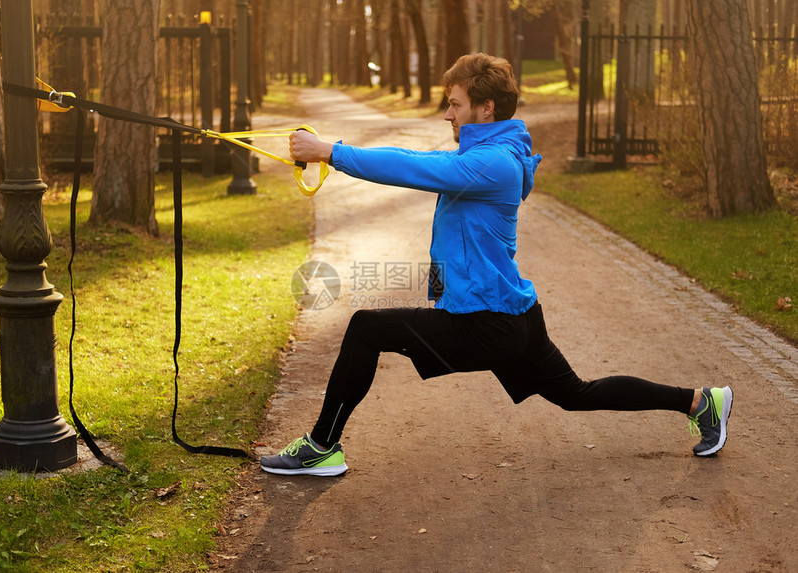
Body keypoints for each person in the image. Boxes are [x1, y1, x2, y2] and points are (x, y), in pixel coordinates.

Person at [261, 53, 733, 477]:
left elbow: (414, 171)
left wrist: (331, 153)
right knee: (576, 394)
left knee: (367, 328)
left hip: (487, 322)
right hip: (512, 315)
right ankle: (699, 402)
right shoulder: (486, 155)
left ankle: (321, 447)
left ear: (486, 108)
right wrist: (333, 149)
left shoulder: (495, 166)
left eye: (455, 104)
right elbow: (415, 157)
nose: (447, 113)